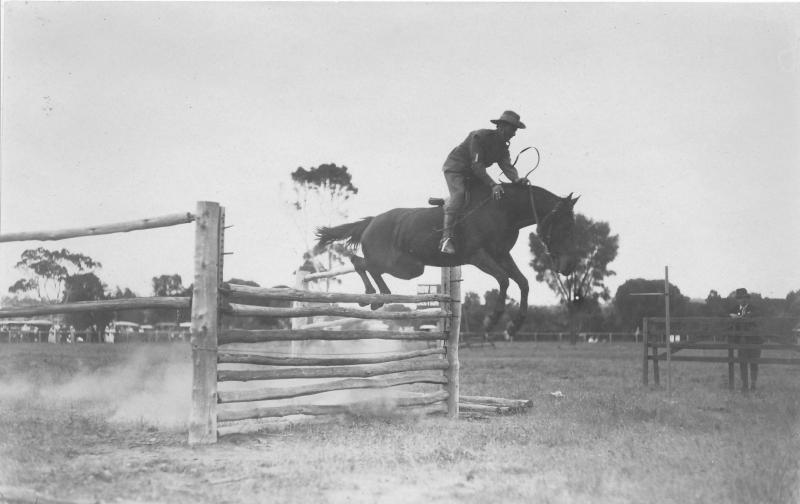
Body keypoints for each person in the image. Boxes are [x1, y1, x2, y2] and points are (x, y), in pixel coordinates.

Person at [440, 110, 528, 254]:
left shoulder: (503, 147)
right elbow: (477, 166)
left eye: (515, 130)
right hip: (456, 170)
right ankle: (445, 239)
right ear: (502, 126)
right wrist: (493, 185)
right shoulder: (479, 137)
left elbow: (507, 166)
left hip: (472, 175)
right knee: (460, 194)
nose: (514, 133)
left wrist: (517, 180)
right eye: (513, 129)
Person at [729, 287, 762, 391]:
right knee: (742, 363)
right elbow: (725, 315)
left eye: (744, 297)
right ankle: (744, 385)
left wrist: (739, 317)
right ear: (737, 299)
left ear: (747, 299)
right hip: (741, 341)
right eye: (739, 298)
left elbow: (755, 315)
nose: (742, 300)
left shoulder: (754, 308)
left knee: (754, 363)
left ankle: (753, 384)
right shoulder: (734, 309)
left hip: (754, 341)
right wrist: (731, 316)